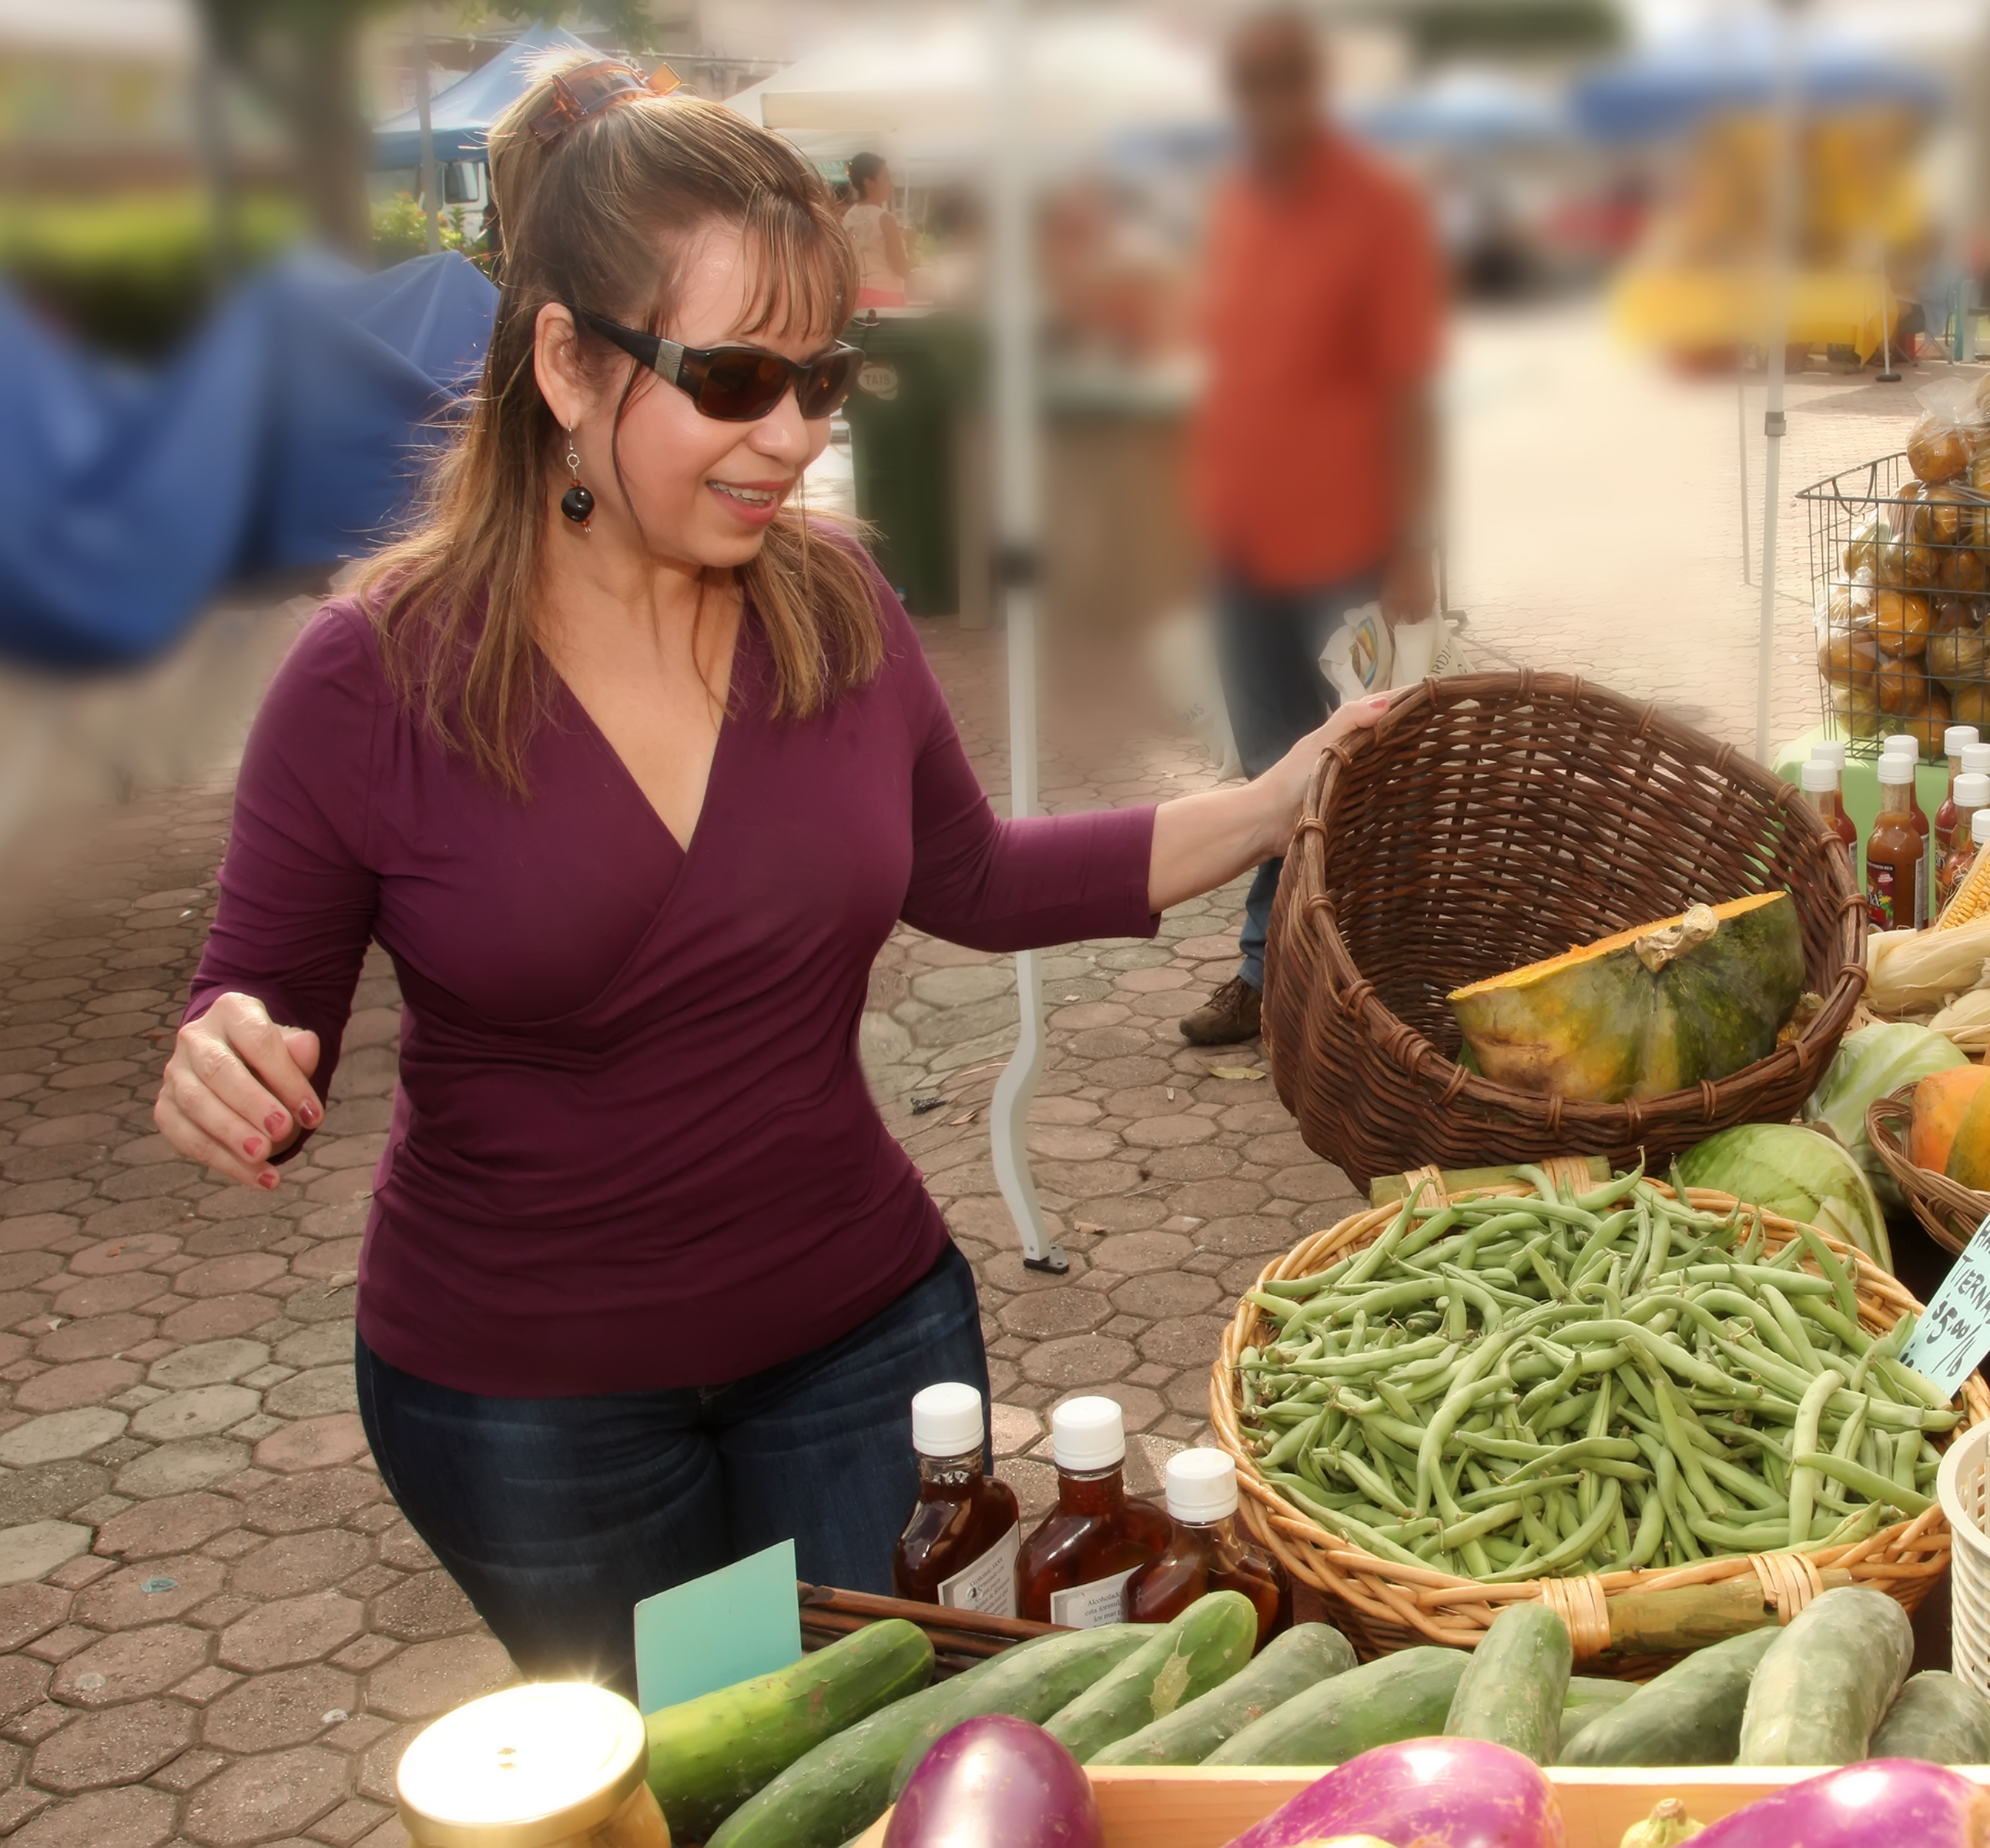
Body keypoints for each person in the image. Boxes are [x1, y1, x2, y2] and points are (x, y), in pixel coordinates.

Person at [150, 58, 1385, 1692]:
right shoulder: (374, 674)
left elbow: (975, 876)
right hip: (531, 1409)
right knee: (686, 1768)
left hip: (864, 1344)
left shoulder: (833, 606)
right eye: (736, 379)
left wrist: (1281, 800)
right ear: (568, 361)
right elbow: (259, 1005)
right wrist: (228, 1059)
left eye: (824, 379)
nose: (794, 436)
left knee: (877, 1747)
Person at [1177, 7, 1442, 1048]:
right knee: (1270, 771)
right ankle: (1277, 970)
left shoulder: (1380, 209)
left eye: (1285, 79)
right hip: (1239, 536)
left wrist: (1412, 542)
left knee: (1354, 765)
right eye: (1248, 84)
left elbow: (1409, 384)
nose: (1265, 103)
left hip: (1347, 541)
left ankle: (1339, 974)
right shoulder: (1234, 203)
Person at [842, 150, 910, 310]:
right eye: (886, 178)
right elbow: (902, 270)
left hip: (855, 297)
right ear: (869, 183)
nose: (892, 184)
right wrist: (910, 243)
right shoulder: (885, 219)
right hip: (885, 296)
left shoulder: (847, 218)